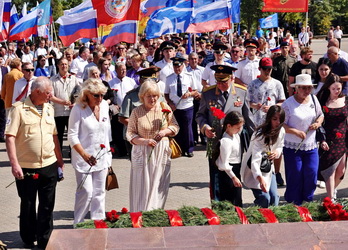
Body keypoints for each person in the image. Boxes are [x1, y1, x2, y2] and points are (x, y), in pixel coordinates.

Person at [5, 76, 64, 248]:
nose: (50, 95)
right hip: (26, 167)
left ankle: (45, 239)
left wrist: (59, 160)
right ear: (37, 92)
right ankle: (28, 237)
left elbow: (54, 136)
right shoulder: (19, 109)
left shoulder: (49, 109)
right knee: (28, 204)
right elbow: (10, 137)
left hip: (49, 164)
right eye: (48, 92)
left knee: (47, 205)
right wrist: (14, 164)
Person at [196, 65, 255, 201]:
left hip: (234, 143)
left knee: (234, 175)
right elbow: (200, 115)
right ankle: (218, 207)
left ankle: (235, 205)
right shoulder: (208, 93)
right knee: (217, 177)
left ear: (232, 79)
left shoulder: (241, 92)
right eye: (218, 81)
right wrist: (205, 128)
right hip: (215, 142)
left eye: (224, 81)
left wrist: (255, 142)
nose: (221, 85)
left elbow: (248, 118)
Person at [126, 80, 179, 212]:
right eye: (149, 96)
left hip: (161, 151)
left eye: (155, 95)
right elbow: (130, 134)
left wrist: (165, 132)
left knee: (159, 185)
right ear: (142, 96)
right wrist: (144, 141)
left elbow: (175, 126)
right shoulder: (137, 112)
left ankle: (155, 213)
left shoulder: (164, 108)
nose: (152, 99)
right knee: (142, 186)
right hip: (142, 152)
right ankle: (140, 214)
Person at [68, 78, 112, 225]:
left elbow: (107, 133)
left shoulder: (104, 105)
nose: (100, 99)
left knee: (99, 192)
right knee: (86, 192)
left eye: (102, 95)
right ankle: (78, 223)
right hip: (83, 157)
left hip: (102, 156)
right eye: (96, 95)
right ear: (86, 94)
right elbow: (72, 136)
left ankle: (98, 222)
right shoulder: (78, 108)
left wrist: (108, 157)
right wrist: (85, 155)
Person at [282, 74, 324, 205]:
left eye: (309, 88)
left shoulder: (313, 99)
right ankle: (294, 203)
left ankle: (308, 200)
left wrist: (317, 123)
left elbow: (320, 115)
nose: (307, 91)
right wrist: (294, 131)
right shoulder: (288, 104)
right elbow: (280, 124)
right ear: (297, 88)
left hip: (310, 146)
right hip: (292, 147)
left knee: (311, 173)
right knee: (295, 175)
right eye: (304, 88)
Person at [242, 105, 285, 208]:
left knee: (274, 198)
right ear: (269, 118)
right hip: (255, 169)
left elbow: (280, 146)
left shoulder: (281, 130)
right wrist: (260, 179)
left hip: (269, 168)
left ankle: (272, 220)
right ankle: (259, 217)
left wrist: (276, 152)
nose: (277, 122)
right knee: (264, 198)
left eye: (280, 119)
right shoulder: (260, 134)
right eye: (275, 119)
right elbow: (255, 160)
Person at [317, 74, 347, 201]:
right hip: (328, 138)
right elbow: (318, 121)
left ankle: (332, 189)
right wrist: (321, 140)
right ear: (328, 87)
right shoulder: (322, 101)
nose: (337, 91)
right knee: (330, 169)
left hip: (343, 139)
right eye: (334, 88)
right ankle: (330, 200)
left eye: (339, 88)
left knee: (341, 170)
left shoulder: (346, 100)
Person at [165, 54, 198, 157]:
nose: (177, 68)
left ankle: (189, 149)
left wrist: (189, 94)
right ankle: (179, 149)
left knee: (187, 128)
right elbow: (166, 94)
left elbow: (195, 91)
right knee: (176, 128)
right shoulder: (169, 78)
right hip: (175, 107)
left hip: (187, 106)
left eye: (179, 66)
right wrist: (170, 103)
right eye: (175, 66)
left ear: (183, 65)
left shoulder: (189, 76)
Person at [50, 58, 81, 150]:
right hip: (58, 112)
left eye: (66, 64)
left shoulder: (74, 78)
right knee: (58, 136)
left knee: (73, 135)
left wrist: (75, 103)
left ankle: (73, 153)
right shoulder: (53, 80)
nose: (64, 66)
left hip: (72, 112)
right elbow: (51, 96)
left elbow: (79, 93)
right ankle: (58, 156)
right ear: (58, 66)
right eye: (62, 64)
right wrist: (62, 102)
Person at [214, 111, 244, 206]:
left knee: (237, 199)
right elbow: (224, 163)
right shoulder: (226, 141)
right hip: (228, 173)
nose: (239, 130)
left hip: (236, 169)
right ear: (229, 126)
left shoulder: (236, 136)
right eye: (237, 127)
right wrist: (233, 177)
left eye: (240, 127)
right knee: (231, 200)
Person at [247, 57, 286, 127]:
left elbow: (282, 102)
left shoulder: (277, 84)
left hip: (273, 121)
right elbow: (247, 102)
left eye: (269, 69)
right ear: (259, 69)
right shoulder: (252, 84)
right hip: (257, 121)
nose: (267, 71)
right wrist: (255, 106)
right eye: (264, 69)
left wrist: (272, 107)